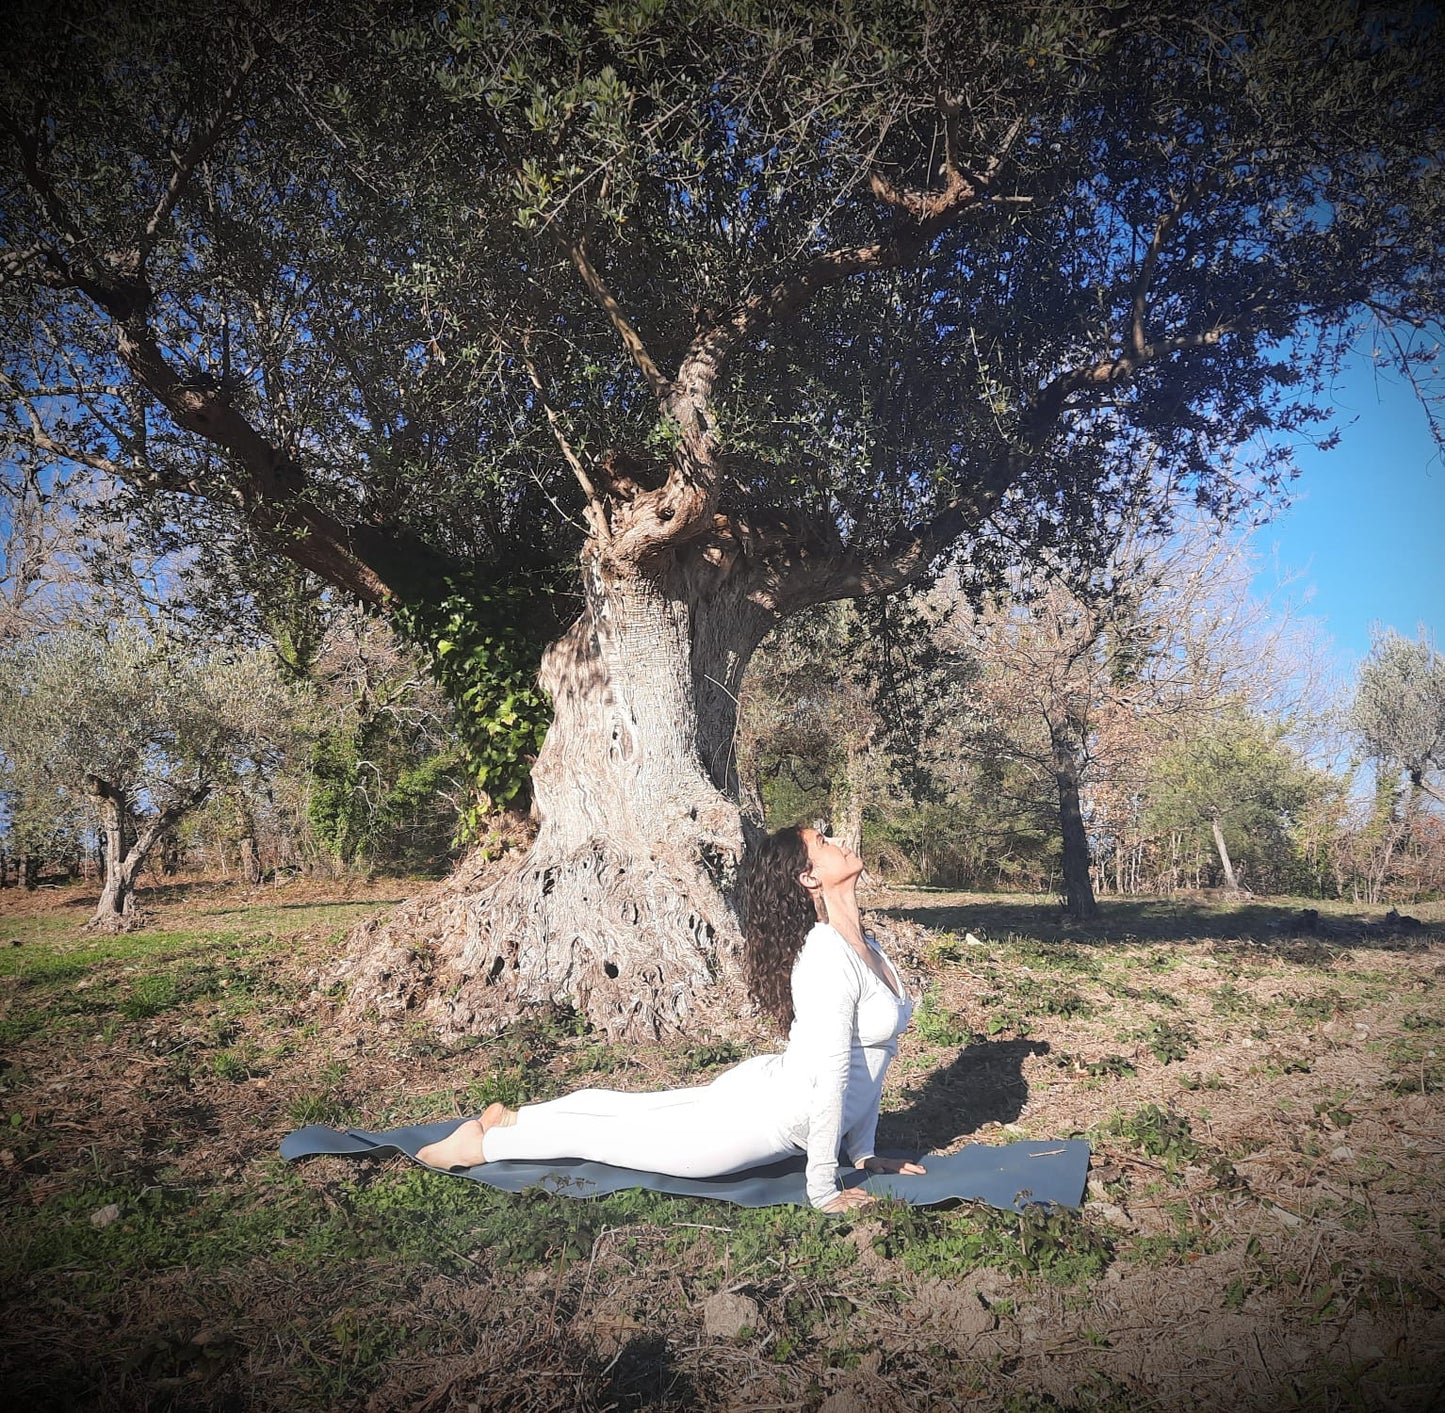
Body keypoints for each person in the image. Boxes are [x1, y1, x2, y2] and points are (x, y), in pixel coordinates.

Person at [416, 825, 925, 1212]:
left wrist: (862, 1154)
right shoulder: (826, 955)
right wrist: (822, 1187)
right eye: (825, 841)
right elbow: (834, 1073)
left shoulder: (867, 947)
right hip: (772, 1116)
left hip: (774, 1087)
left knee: (641, 1111)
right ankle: (487, 1142)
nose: (839, 842)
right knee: (619, 1139)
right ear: (809, 876)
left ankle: (516, 1117)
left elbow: (873, 1061)